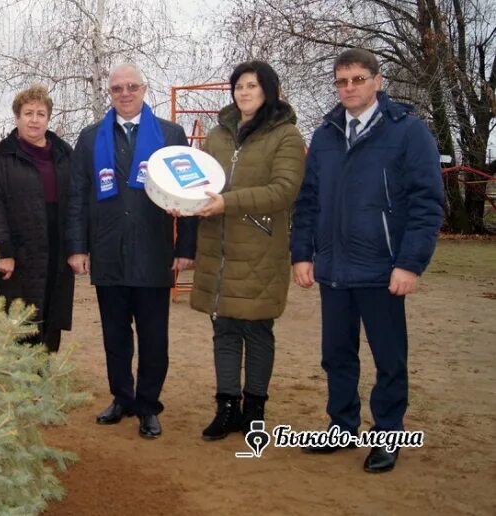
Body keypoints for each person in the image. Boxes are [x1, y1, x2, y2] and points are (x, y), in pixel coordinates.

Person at [291, 48, 444, 472]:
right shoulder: (324, 134)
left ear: (378, 81)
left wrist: (411, 262)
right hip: (334, 267)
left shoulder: (408, 133)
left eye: (358, 79)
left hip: (383, 267)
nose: (349, 88)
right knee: (336, 354)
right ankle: (341, 426)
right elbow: (308, 201)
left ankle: (388, 435)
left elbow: (427, 203)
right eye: (342, 81)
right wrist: (302, 253)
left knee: (389, 358)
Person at [66, 64, 197, 439]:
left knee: (154, 337)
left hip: (154, 253)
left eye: (132, 87)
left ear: (144, 89)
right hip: (107, 252)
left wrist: (186, 246)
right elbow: (77, 196)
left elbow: (188, 191)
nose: (125, 94)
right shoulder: (91, 138)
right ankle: (121, 397)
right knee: (115, 335)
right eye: (117, 88)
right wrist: (77, 247)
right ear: (110, 93)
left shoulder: (170, 134)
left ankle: (148, 406)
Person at [189, 61, 306, 441]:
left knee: (256, 330)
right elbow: (200, 183)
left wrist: (228, 203)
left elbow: (283, 191)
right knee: (223, 328)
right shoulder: (218, 135)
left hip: (260, 249)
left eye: (252, 86)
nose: (244, 92)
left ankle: (255, 408)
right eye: (239, 85)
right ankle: (226, 406)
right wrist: (183, 201)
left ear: (268, 91)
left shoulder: (286, 135)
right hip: (218, 247)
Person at [0, 85, 74, 353]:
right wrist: (4, 252)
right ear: (17, 117)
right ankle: (19, 384)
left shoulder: (65, 154)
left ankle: (45, 377)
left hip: (56, 249)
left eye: (41, 114)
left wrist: (76, 246)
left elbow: (76, 201)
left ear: (48, 118)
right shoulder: (1, 156)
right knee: (18, 318)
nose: (34, 120)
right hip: (19, 252)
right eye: (28, 113)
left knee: (52, 314)